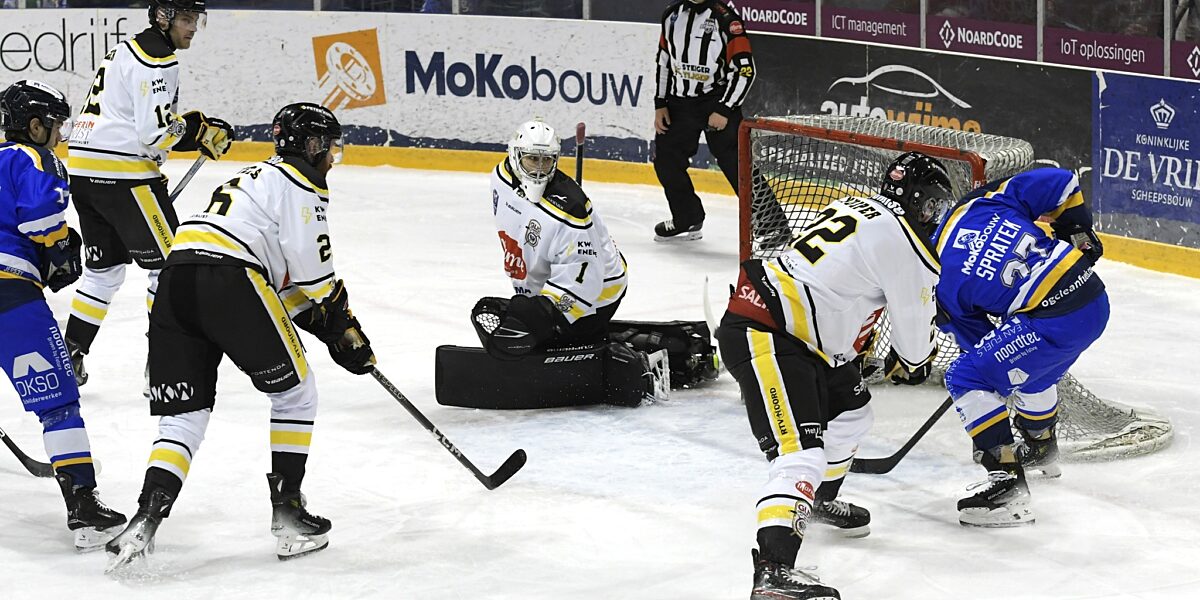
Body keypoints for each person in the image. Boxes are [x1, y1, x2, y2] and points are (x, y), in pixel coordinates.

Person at [104, 103, 375, 570]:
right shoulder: (302, 183)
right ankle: (288, 515)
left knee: (183, 418)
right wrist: (342, 326)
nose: (333, 157)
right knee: (297, 395)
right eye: (330, 147)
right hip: (229, 278)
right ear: (311, 146)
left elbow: (281, 283)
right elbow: (315, 282)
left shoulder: (255, 177)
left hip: (177, 277)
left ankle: (145, 519)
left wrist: (326, 326)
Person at [716, 151, 951, 599]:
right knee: (799, 454)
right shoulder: (907, 243)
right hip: (769, 333)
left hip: (806, 338)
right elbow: (915, 352)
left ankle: (818, 503)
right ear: (921, 202)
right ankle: (773, 572)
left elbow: (840, 287)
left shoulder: (858, 205)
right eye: (934, 206)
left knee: (853, 413)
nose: (933, 217)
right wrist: (921, 347)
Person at [64, 0, 234, 387]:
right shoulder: (159, 58)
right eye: (187, 19)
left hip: (85, 171)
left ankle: (70, 352)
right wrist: (193, 133)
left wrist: (188, 130)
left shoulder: (122, 49)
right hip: (125, 177)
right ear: (163, 17)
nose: (192, 28)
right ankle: (165, 363)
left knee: (103, 271)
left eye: (197, 20)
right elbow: (153, 134)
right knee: (169, 269)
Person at [931, 167, 1107, 528]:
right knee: (1029, 366)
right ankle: (1041, 446)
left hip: (1054, 318)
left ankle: (1006, 484)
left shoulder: (935, 276)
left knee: (966, 377)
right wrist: (1077, 229)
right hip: (1093, 299)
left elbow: (977, 349)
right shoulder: (977, 205)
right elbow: (1062, 182)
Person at [0, 80, 126, 551]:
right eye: (53, 126)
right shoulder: (33, 158)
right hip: (11, 297)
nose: (58, 136)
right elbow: (39, 218)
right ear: (34, 126)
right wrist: (59, 245)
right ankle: (85, 511)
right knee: (59, 404)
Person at [652, 0, 788, 244]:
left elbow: (746, 71)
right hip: (678, 104)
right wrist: (660, 102)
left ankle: (773, 226)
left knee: (735, 162)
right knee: (666, 160)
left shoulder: (727, 20)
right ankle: (687, 217)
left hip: (716, 100)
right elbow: (664, 61)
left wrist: (724, 109)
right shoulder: (671, 15)